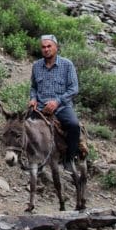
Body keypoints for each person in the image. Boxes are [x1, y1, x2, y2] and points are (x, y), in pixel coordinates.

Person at [27, 34, 80, 170]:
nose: (46, 49)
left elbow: (74, 88)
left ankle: (69, 159)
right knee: (24, 126)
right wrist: (33, 98)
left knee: (74, 125)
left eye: (49, 46)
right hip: (40, 107)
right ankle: (32, 157)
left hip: (62, 107)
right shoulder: (36, 66)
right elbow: (33, 87)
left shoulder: (67, 65)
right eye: (43, 47)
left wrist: (57, 102)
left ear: (56, 47)